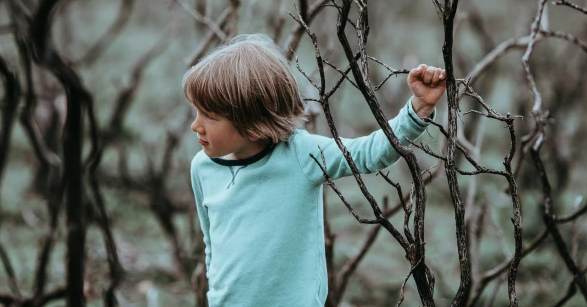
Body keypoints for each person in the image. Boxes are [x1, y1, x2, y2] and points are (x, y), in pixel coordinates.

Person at [185, 34, 446, 306]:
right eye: (197, 112)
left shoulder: (301, 155)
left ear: (254, 122)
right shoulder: (202, 168)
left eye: (210, 117)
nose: (196, 125)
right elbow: (213, 246)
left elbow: (370, 153)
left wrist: (419, 109)